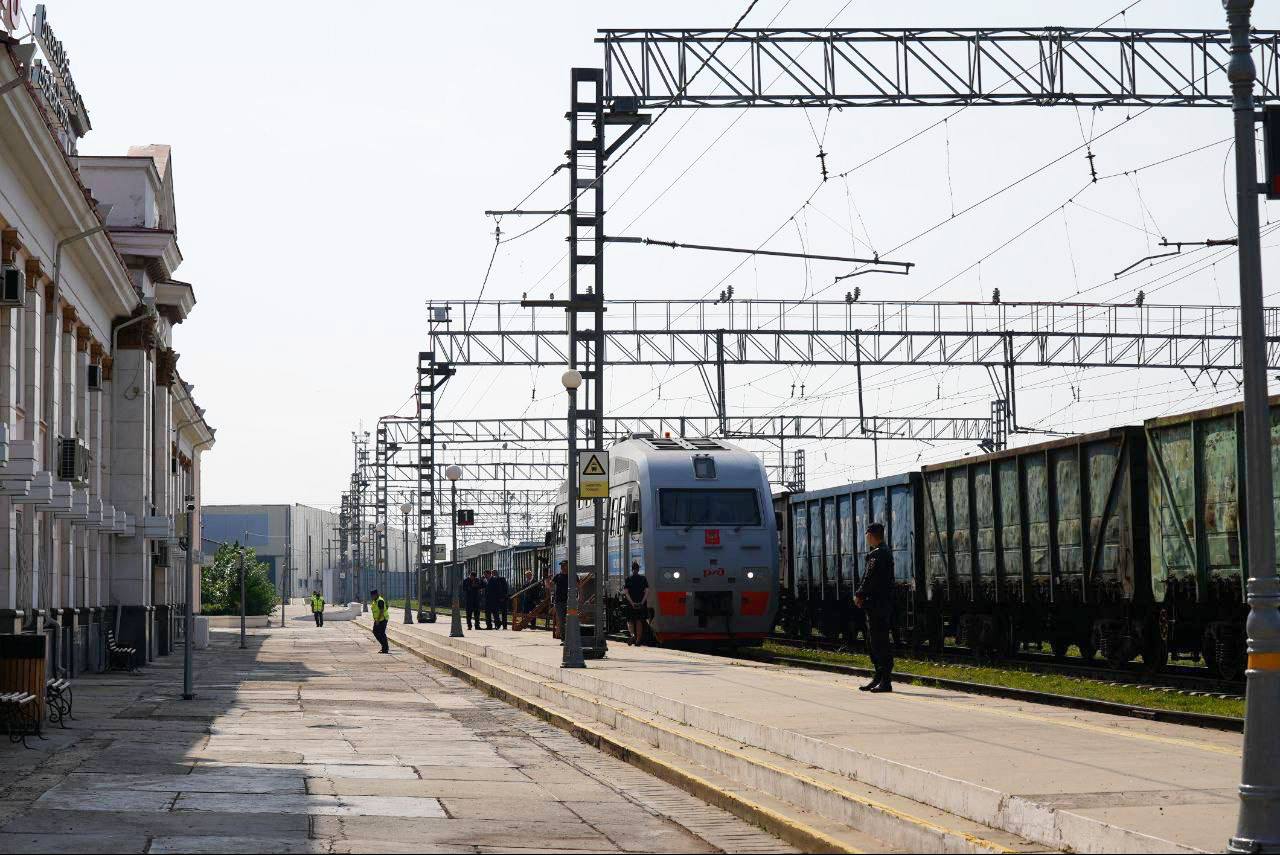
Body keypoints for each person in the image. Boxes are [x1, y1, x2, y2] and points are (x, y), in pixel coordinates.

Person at [855, 523, 895, 693]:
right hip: (883, 604)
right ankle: (879, 678)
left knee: (878, 642)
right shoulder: (885, 552)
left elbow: (869, 578)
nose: (866, 538)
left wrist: (859, 594)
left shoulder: (877, 555)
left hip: (876, 605)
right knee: (878, 641)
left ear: (871, 535)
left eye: (867, 535)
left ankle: (885, 681)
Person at [622, 561, 649, 646]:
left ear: (632, 569)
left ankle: (633, 635)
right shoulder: (643, 579)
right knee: (639, 621)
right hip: (640, 603)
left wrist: (632, 603)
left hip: (631, 604)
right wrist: (642, 602)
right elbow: (647, 592)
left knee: (630, 621)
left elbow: (626, 592)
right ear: (638, 569)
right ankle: (638, 640)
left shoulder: (628, 579)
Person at [552, 560, 569, 641]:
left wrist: (580, 597)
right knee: (561, 621)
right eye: (561, 565)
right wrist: (546, 580)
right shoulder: (557, 576)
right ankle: (564, 639)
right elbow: (550, 586)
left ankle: (570, 638)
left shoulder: (572, 576)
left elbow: (579, 587)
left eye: (564, 565)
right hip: (559, 602)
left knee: (570, 620)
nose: (562, 567)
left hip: (570, 602)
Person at [369, 589, 390, 654]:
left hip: (382, 619)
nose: (371, 597)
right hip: (377, 620)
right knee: (375, 632)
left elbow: (381, 611)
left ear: (375, 595)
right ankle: (384, 646)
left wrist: (378, 620)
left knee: (382, 633)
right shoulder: (375, 601)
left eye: (372, 596)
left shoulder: (380, 601)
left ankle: (385, 648)